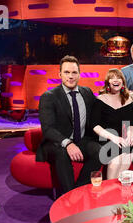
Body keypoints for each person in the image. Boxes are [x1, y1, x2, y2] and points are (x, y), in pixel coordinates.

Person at [36, 55, 102, 194]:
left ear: (79, 74)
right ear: (60, 74)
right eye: (67, 72)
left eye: (74, 72)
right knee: (62, 152)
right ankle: (68, 196)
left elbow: (99, 112)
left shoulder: (87, 92)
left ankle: (77, 191)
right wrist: (68, 143)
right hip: (56, 143)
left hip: (82, 140)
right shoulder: (49, 96)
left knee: (99, 151)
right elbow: (47, 129)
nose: (70, 76)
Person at [92, 68, 133, 179]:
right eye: (112, 78)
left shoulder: (127, 100)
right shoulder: (100, 99)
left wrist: (129, 137)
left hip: (121, 139)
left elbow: (130, 124)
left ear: (123, 82)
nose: (116, 80)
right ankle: (109, 191)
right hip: (105, 139)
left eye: (119, 78)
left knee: (129, 152)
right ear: (108, 82)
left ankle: (117, 191)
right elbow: (95, 126)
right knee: (116, 158)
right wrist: (114, 138)